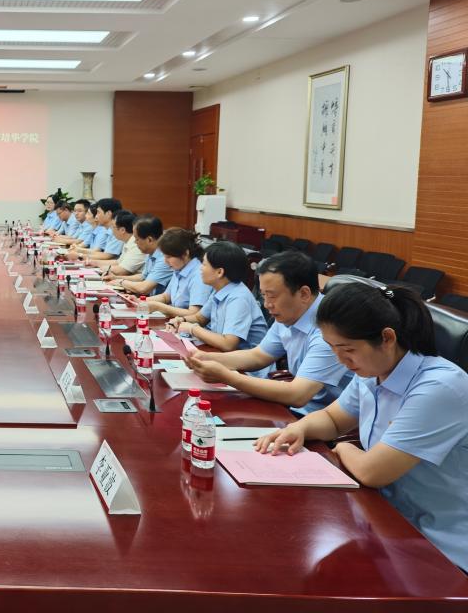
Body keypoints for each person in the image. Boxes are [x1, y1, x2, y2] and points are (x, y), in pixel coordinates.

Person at [255, 283, 468, 572]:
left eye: (348, 349)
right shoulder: (373, 371)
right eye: (332, 348)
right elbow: (332, 419)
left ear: (387, 338)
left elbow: (372, 472)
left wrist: (342, 447)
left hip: (441, 545)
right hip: (384, 518)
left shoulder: (439, 387)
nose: (341, 360)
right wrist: (301, 428)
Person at [182, 251, 352, 415]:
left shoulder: (330, 330)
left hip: (323, 417)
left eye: (272, 296)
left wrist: (227, 377)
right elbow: (258, 356)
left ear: (304, 294)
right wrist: (205, 358)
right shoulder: (290, 312)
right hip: (298, 408)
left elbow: (298, 395)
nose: (266, 304)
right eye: (263, 295)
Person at [166, 240, 268, 352]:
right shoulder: (221, 289)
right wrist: (182, 320)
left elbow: (228, 344)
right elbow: (200, 318)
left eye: (204, 264)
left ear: (219, 272)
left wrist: (192, 329)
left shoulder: (238, 298)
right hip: (223, 355)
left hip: (244, 361)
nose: (200, 268)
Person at [124, 228, 211, 318]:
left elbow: (195, 314)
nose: (165, 261)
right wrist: (140, 301)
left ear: (185, 254)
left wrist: (158, 307)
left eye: (168, 257)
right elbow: (166, 297)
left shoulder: (199, 275)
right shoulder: (180, 267)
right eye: (164, 256)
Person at [115, 215, 173, 296]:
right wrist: (115, 278)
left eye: (137, 239)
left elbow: (143, 288)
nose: (135, 242)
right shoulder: (151, 253)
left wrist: (121, 282)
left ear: (149, 240)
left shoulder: (164, 258)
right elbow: (143, 277)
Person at [100, 210, 147, 277]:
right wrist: (95, 263)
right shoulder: (127, 241)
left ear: (122, 230)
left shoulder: (137, 244)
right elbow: (118, 262)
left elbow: (122, 270)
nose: (111, 230)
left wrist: (101, 268)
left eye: (113, 227)